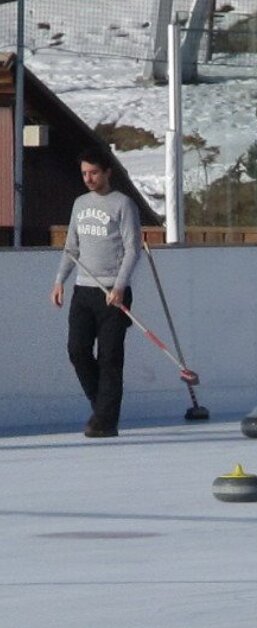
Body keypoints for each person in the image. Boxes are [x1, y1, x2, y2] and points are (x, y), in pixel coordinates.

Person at [50, 148, 142, 438]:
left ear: (107, 173)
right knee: (77, 350)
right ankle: (101, 407)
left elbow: (132, 249)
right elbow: (71, 247)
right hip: (84, 290)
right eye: (84, 174)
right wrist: (59, 280)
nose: (88, 178)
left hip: (112, 294)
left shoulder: (123, 205)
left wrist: (119, 286)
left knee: (110, 358)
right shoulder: (80, 204)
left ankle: (105, 422)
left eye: (93, 173)